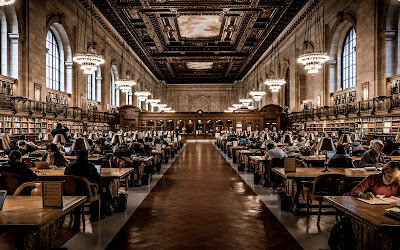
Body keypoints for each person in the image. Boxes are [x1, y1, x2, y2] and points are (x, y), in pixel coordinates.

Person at [64, 150, 102, 230]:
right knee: (98, 188)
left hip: (70, 192)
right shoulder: (89, 166)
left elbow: (66, 177)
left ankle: (76, 218)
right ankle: (95, 215)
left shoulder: (69, 165)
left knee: (78, 189)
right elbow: (97, 179)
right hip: (86, 193)